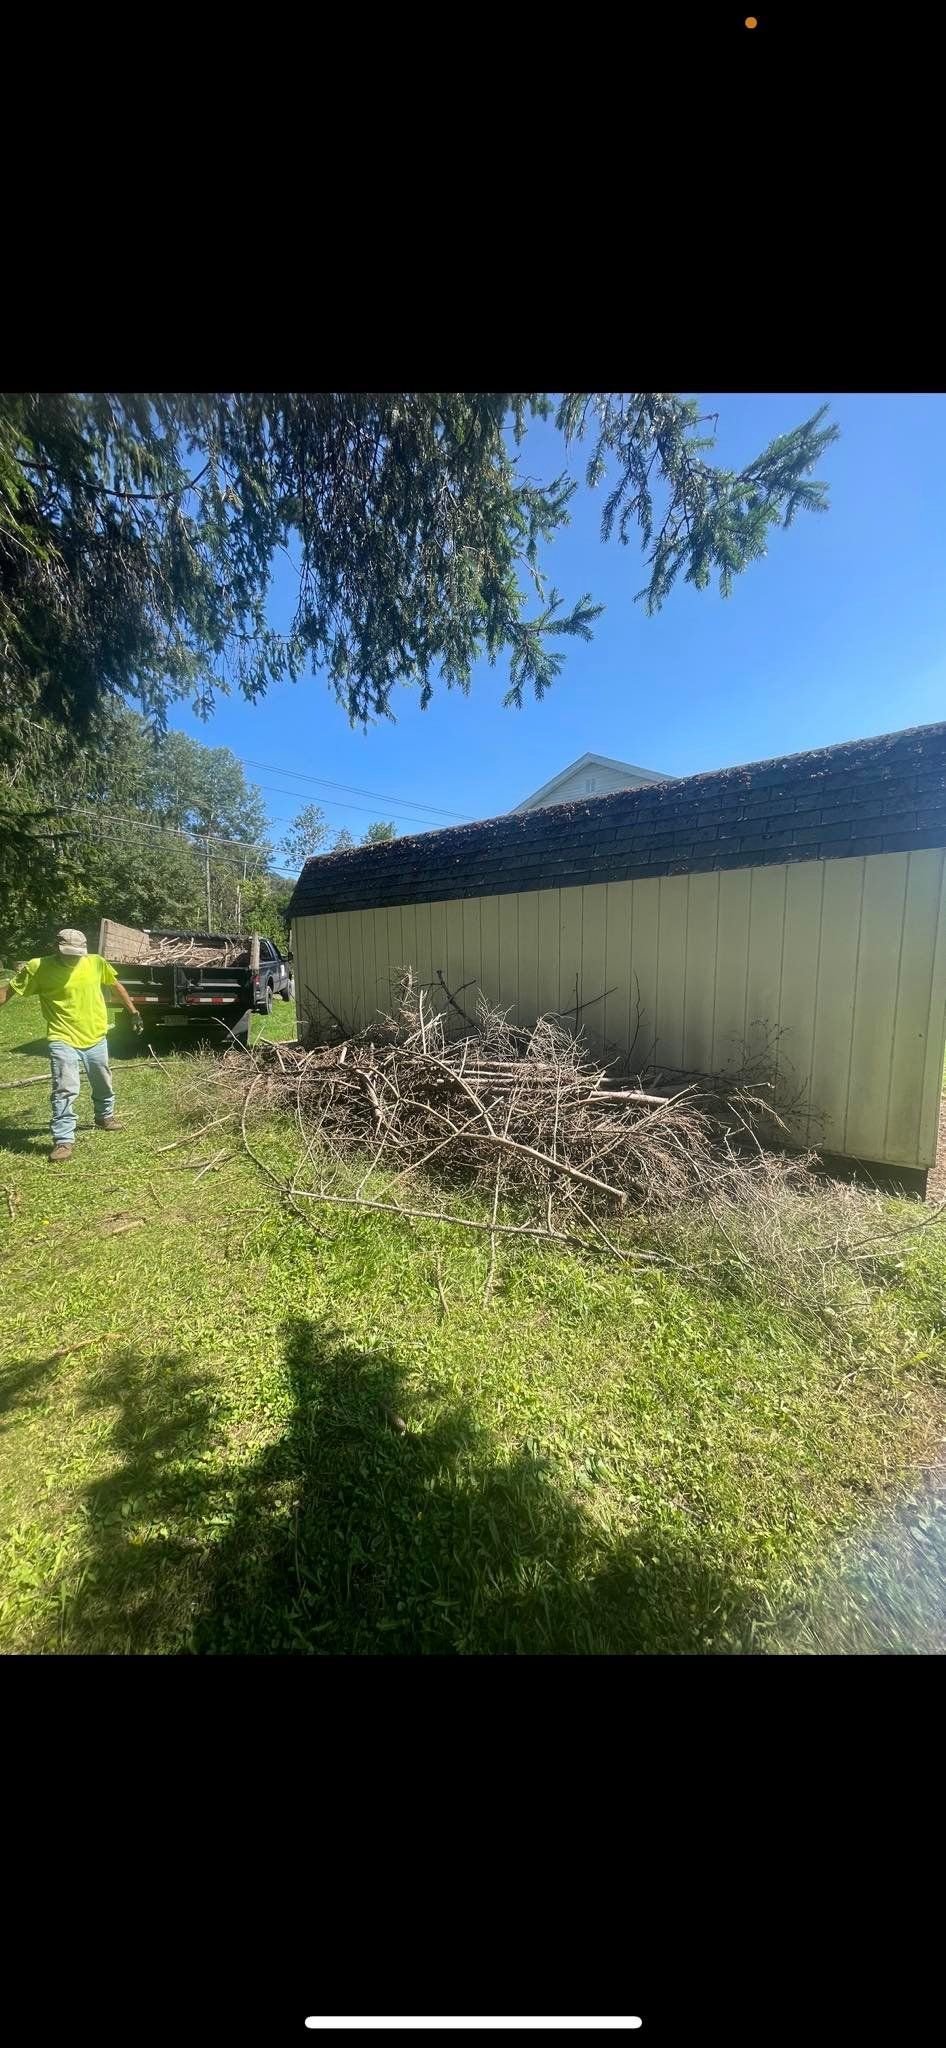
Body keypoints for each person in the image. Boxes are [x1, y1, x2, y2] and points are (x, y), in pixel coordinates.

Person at [0, 927, 143, 1162]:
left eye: (78, 953)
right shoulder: (38, 967)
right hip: (62, 1036)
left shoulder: (96, 962)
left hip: (96, 1034)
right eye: (68, 952)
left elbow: (115, 985)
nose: (74, 957)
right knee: (65, 1087)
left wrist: (134, 1011)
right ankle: (64, 1140)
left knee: (102, 1079)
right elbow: (9, 992)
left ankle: (104, 1116)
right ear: (55, 947)